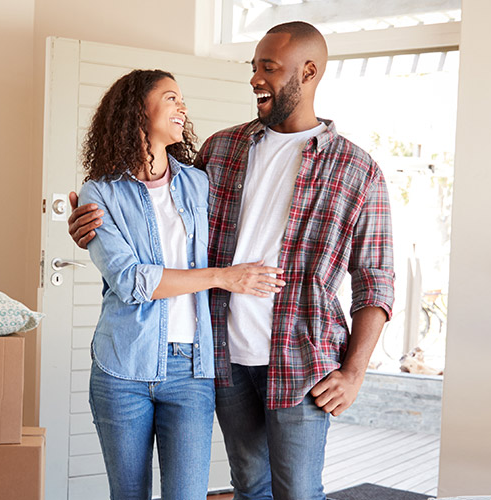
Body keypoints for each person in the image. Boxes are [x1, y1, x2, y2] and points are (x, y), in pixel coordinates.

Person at [69, 22, 395, 500]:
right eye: (254, 67)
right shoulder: (221, 150)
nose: (255, 79)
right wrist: (91, 230)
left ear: (308, 72)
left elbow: (376, 280)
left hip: (302, 360)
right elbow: (158, 215)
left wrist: (354, 372)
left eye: (269, 68)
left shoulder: (357, 169)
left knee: (299, 492)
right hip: (221, 358)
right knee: (249, 487)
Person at [76, 68, 287, 500]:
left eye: (181, 99)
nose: (183, 107)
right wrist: (221, 278)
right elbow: (132, 281)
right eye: (171, 98)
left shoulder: (198, 183)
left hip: (191, 370)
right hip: (123, 367)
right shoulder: (100, 194)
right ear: (139, 109)